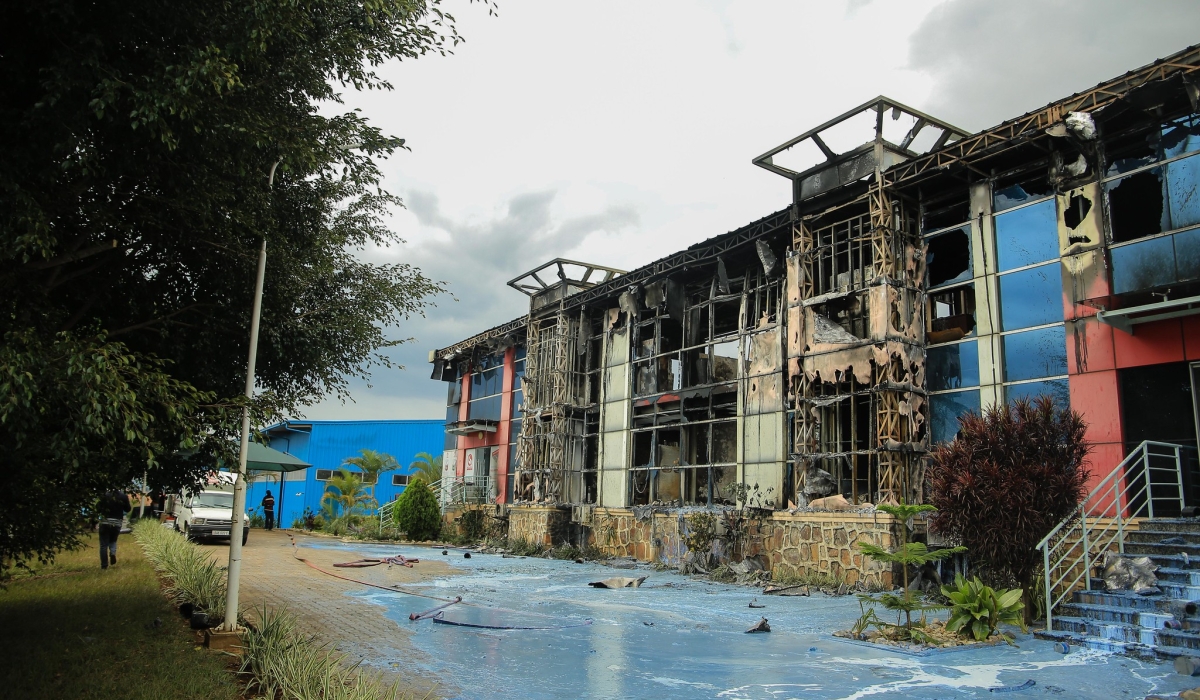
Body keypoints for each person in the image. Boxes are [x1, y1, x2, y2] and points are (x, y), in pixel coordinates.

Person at [98, 489, 127, 569]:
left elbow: (98, 508)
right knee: (113, 540)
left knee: (103, 545)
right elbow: (128, 509)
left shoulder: (104, 495)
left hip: (105, 522)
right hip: (117, 522)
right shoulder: (123, 496)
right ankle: (113, 553)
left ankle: (104, 565)